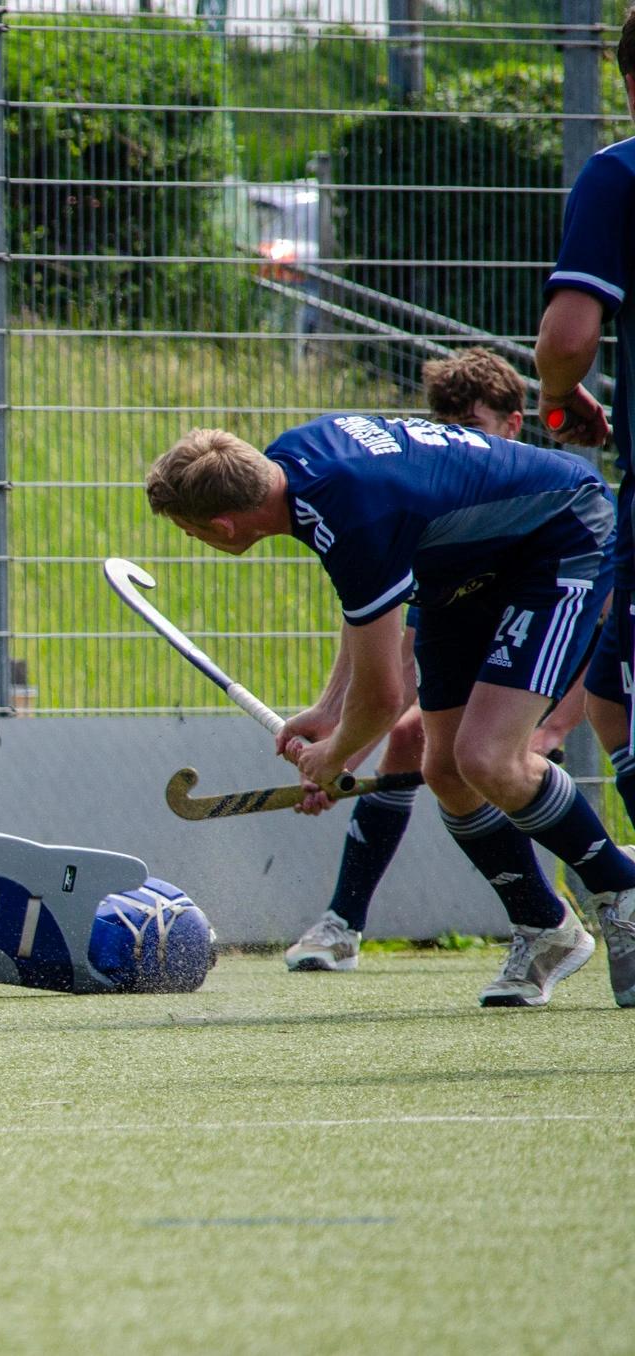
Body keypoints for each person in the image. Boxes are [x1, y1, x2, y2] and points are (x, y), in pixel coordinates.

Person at [146, 415, 635, 1007]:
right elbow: (365, 614)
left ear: (223, 526)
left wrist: (336, 754)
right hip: (460, 570)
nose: (196, 539)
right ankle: (544, 927)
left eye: (191, 531)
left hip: (557, 536)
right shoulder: (292, 462)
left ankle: (621, 890)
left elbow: (381, 697)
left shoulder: (355, 513)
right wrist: (330, 715)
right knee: (446, 772)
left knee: (488, 756)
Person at [283, 350, 585, 971]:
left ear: (512, 425)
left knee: (436, 741)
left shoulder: (523, 498)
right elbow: (394, 651)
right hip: (505, 630)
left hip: (575, 644)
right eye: (444, 424)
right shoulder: (447, 519)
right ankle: (349, 923)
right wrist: (337, 754)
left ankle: (593, 903)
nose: (457, 440)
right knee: (412, 741)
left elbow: (603, 629)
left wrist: (556, 726)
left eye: (471, 426)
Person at [535, 2, 635, 1008]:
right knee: (604, 694)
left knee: (615, 695)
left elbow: (566, 337)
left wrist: (562, 400)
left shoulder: (618, 171)